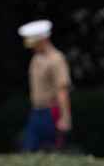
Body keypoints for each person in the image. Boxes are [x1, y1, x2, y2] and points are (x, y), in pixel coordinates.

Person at [19, 19, 73, 152]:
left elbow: (62, 90)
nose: (31, 46)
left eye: (33, 42)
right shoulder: (36, 58)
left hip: (51, 112)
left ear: (43, 39)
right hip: (36, 111)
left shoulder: (56, 59)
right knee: (28, 149)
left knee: (52, 151)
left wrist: (65, 117)